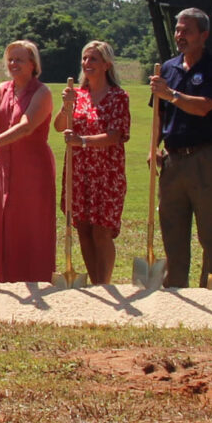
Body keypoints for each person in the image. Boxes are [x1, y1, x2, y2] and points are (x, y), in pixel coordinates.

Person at [147, 8, 212, 288]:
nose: (180, 36)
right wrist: (153, 146)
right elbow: (159, 113)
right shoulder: (168, 68)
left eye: (187, 30)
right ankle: (175, 289)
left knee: (209, 230)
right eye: (178, 30)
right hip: (172, 160)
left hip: (204, 157)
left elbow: (205, 107)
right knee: (172, 227)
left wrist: (170, 94)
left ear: (203, 35)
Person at [0, 40, 55, 283]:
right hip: (4, 167)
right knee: (5, 222)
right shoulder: (2, 89)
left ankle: (37, 278)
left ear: (33, 64)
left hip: (32, 169)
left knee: (31, 224)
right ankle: (6, 277)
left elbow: (27, 126)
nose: (13, 64)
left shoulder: (43, 92)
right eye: (10, 59)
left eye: (19, 59)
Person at [60, 41, 131, 285]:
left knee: (102, 231)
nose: (87, 64)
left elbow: (116, 135)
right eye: (85, 58)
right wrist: (65, 107)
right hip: (79, 171)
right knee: (83, 228)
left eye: (94, 59)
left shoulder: (119, 97)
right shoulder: (77, 95)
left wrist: (82, 141)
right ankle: (95, 282)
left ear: (106, 65)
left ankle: (104, 283)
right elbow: (60, 126)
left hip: (106, 172)